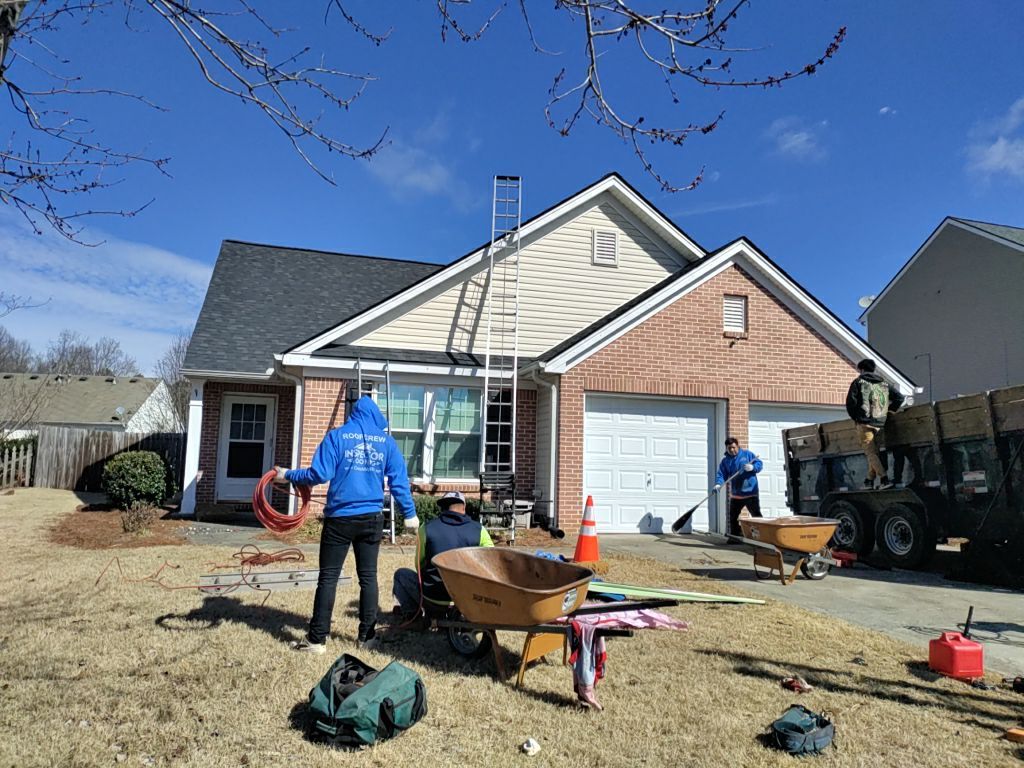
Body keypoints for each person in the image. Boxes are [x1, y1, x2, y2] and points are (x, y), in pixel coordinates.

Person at [273, 395, 417, 654]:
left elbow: (319, 474)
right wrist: (409, 513)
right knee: (368, 577)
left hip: (339, 518)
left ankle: (317, 640)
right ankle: (367, 637)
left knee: (328, 578)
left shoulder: (337, 437)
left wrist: (288, 475)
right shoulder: (386, 443)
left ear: (353, 414)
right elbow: (399, 482)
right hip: (372, 518)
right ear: (376, 416)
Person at [392, 491, 493, 619]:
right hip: (466, 600)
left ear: (443, 508)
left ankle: (413, 618)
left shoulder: (426, 528)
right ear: (464, 507)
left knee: (401, 575)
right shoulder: (480, 531)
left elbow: (419, 564)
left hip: (433, 599)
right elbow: (491, 564)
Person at [846, 358, 905, 490]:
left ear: (861, 370)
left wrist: (857, 417)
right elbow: (900, 398)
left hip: (864, 423)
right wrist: (890, 411)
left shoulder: (858, 382)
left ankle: (884, 479)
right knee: (874, 454)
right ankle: (869, 480)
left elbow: (851, 403)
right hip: (879, 423)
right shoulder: (884, 383)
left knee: (871, 453)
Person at [714, 437, 763, 538]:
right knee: (732, 517)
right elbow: (722, 474)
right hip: (736, 494)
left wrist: (753, 468)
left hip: (750, 493)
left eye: (733, 447)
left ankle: (763, 537)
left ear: (737, 446)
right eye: (729, 448)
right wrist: (718, 484)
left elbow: (759, 463)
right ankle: (735, 537)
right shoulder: (726, 461)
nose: (732, 450)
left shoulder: (747, 455)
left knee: (756, 516)